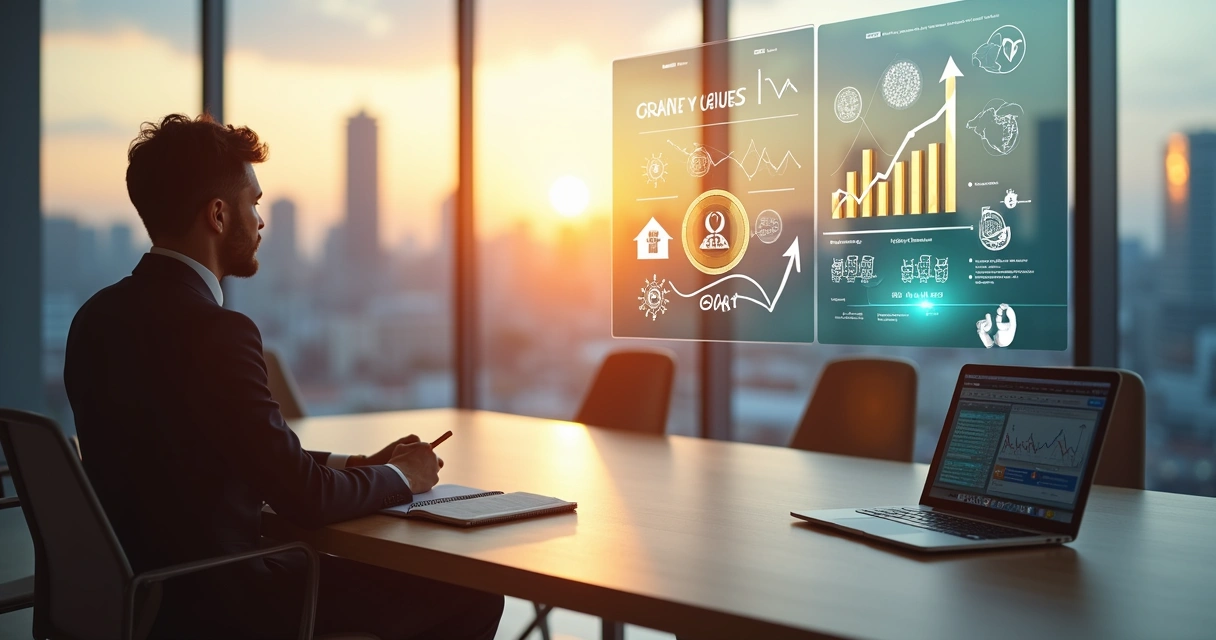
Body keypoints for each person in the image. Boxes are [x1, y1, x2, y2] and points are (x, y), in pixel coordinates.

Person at [64, 113, 503, 639]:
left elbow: (225, 454)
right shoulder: (218, 333)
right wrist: (403, 477)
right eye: (253, 203)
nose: (261, 220)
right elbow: (307, 499)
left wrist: (357, 465)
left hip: (144, 601)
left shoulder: (95, 318)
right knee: (475, 590)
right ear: (218, 215)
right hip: (230, 605)